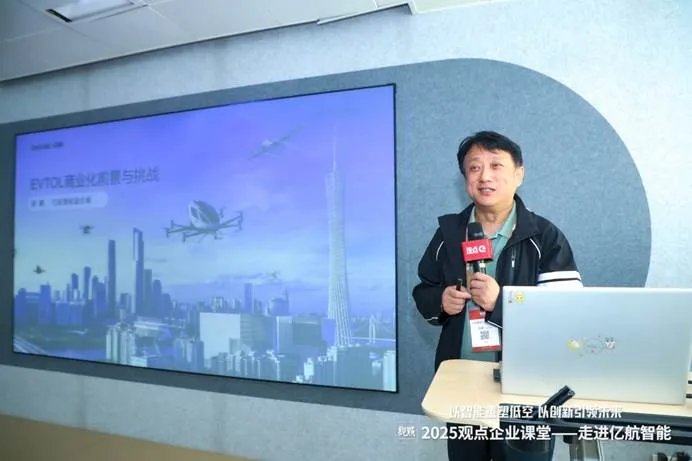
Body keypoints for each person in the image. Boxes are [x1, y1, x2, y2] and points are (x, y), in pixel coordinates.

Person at [412, 131, 582, 461]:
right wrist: (441, 300)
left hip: (527, 387)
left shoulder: (545, 237)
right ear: (465, 179)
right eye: (474, 168)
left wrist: (502, 304)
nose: (485, 176)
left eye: (496, 165)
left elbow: (567, 317)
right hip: (462, 382)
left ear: (519, 174)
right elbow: (424, 291)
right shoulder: (449, 234)